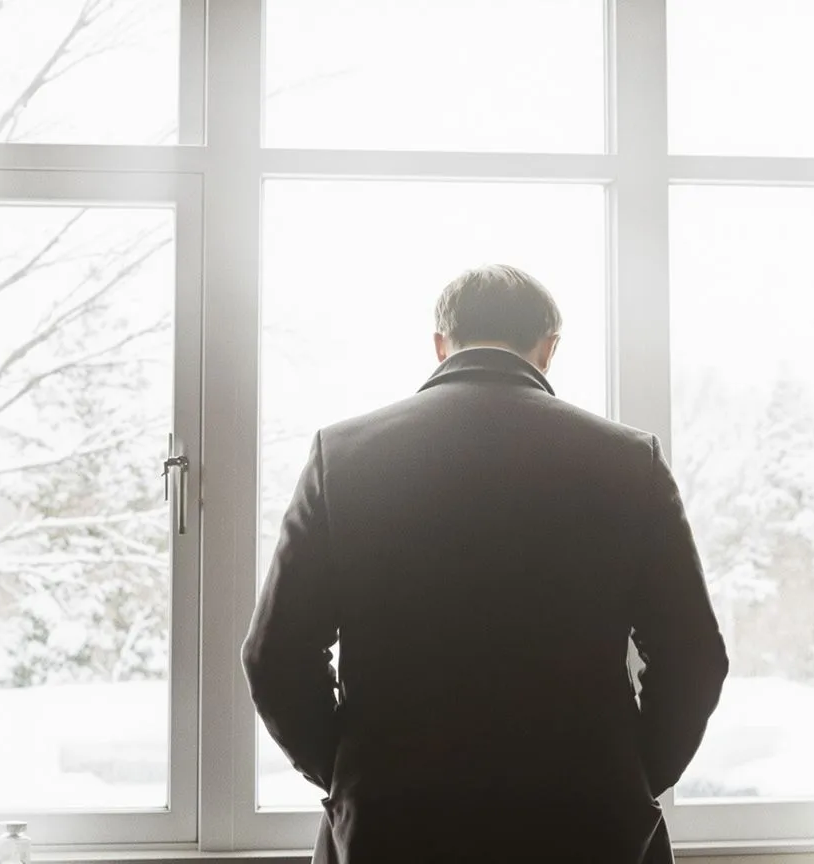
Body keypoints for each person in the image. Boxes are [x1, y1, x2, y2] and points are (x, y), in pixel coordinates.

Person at [243, 264, 729, 864]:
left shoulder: (341, 458)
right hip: (586, 825)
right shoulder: (631, 462)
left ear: (441, 345)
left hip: (393, 828)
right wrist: (628, 775)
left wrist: (353, 773)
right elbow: (694, 656)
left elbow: (275, 655)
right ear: (548, 350)